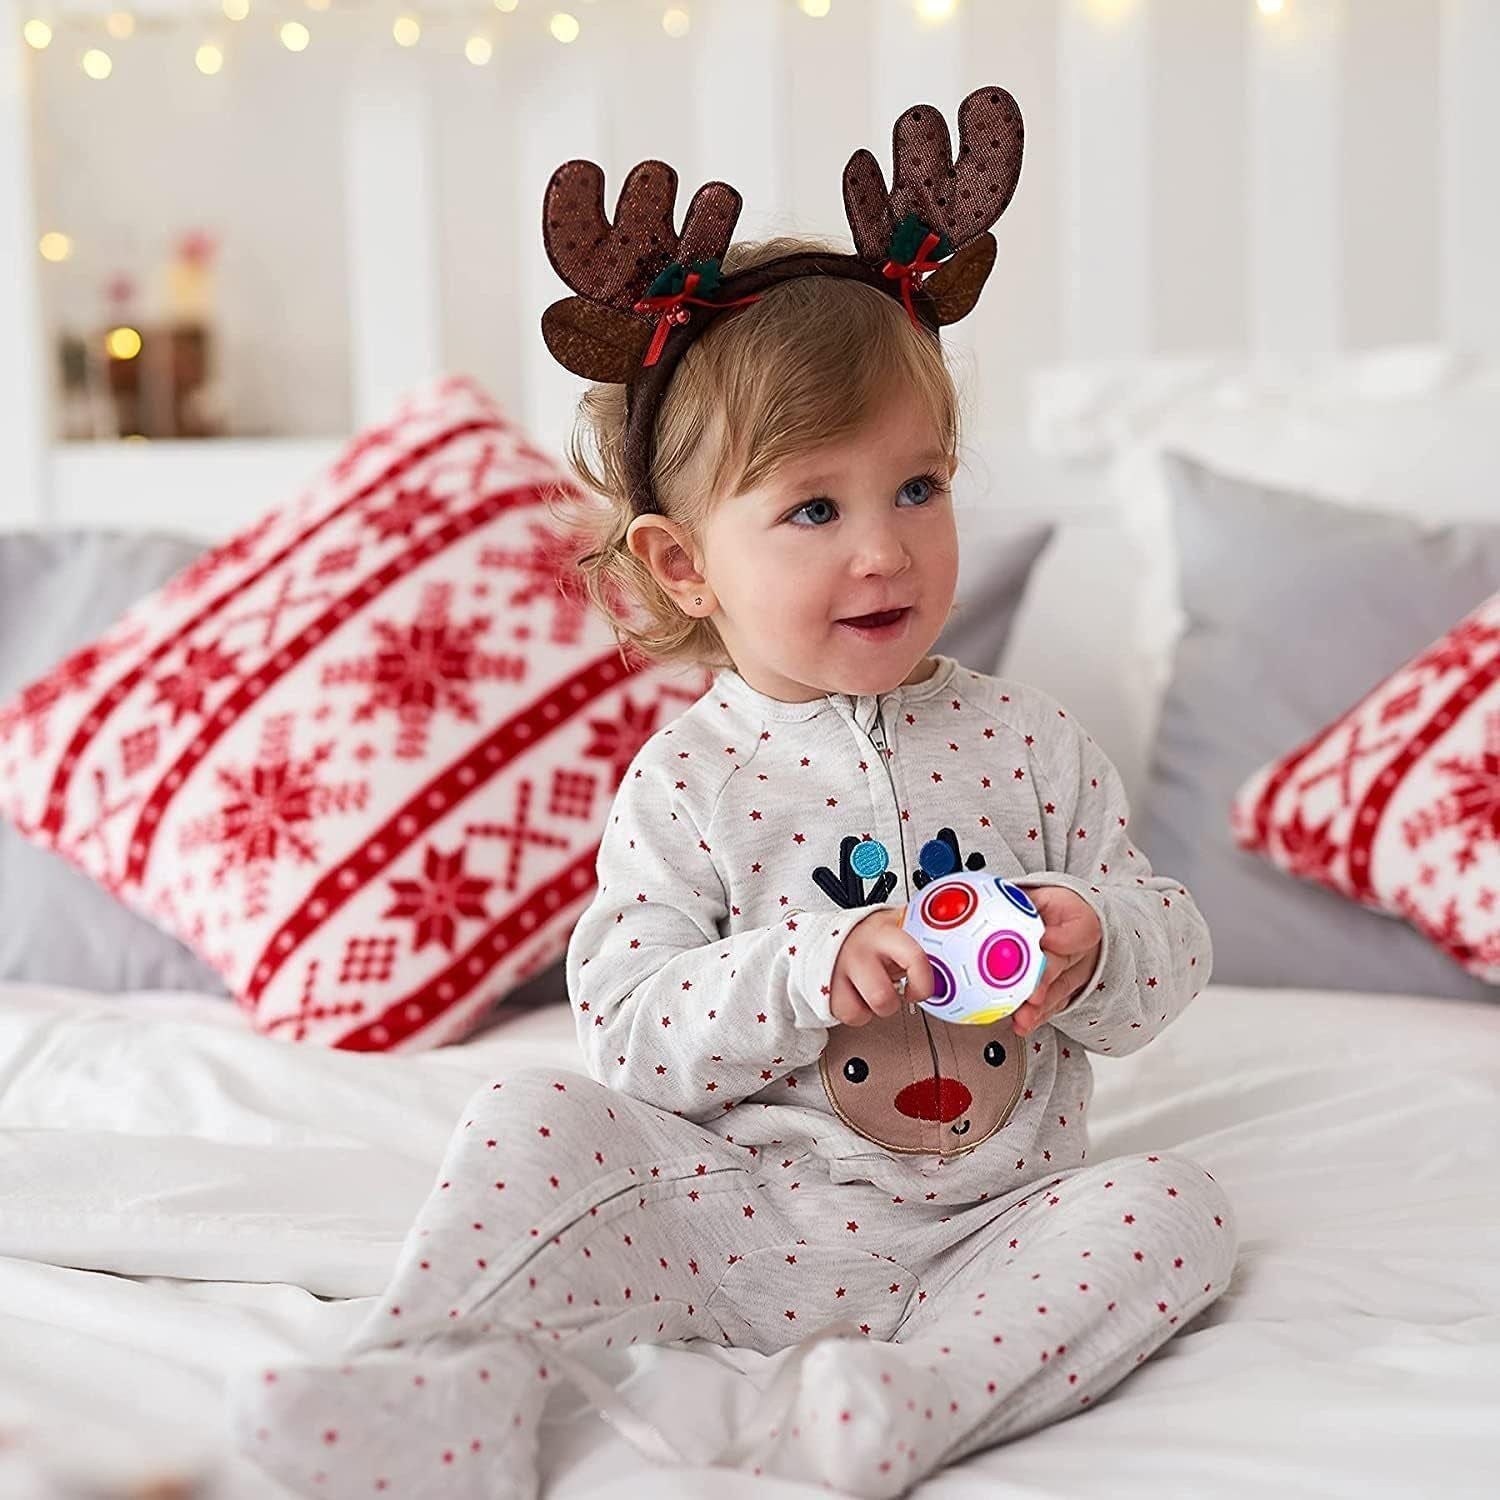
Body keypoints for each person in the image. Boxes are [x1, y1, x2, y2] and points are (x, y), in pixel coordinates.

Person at [234, 86, 1236, 1500]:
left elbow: (1165, 959)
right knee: (530, 1117)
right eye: (814, 510)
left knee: (1176, 1208)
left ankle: (907, 1400)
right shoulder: (689, 781)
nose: (883, 551)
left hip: (987, 1224)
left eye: (919, 487)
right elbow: (631, 1037)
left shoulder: (1032, 739)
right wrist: (813, 966)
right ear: (687, 565)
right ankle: (431, 1386)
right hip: (731, 1213)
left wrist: (1092, 939)